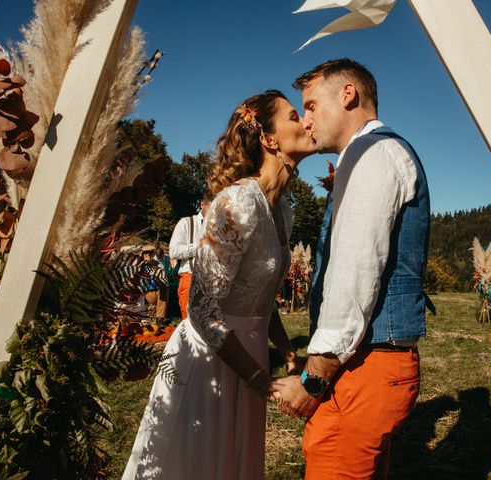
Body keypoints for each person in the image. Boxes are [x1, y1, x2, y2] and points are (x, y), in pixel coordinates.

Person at [123, 89, 316, 479]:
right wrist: (264, 381)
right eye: (295, 116)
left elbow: (259, 297)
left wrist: (286, 351)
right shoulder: (236, 203)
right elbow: (202, 309)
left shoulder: (282, 210)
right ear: (269, 138)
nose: (308, 121)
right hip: (210, 359)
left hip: (251, 354)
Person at [272, 58, 430, 479]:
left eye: (309, 105)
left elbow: (354, 273)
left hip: (364, 367)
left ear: (347, 95)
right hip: (368, 361)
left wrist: (313, 381)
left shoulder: (371, 153)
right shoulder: (371, 154)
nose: (306, 121)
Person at [168, 192, 211, 319]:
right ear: (202, 204)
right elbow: (174, 251)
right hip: (191, 278)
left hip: (215, 282)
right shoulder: (186, 223)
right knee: (190, 326)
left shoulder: (222, 226)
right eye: (212, 207)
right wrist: (200, 246)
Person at [138, 245, 168, 321]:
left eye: (149, 253)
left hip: (155, 290)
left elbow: (164, 279)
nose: (147, 255)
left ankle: (160, 318)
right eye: (145, 253)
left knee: (164, 289)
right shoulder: (140, 265)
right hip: (144, 292)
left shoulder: (159, 265)